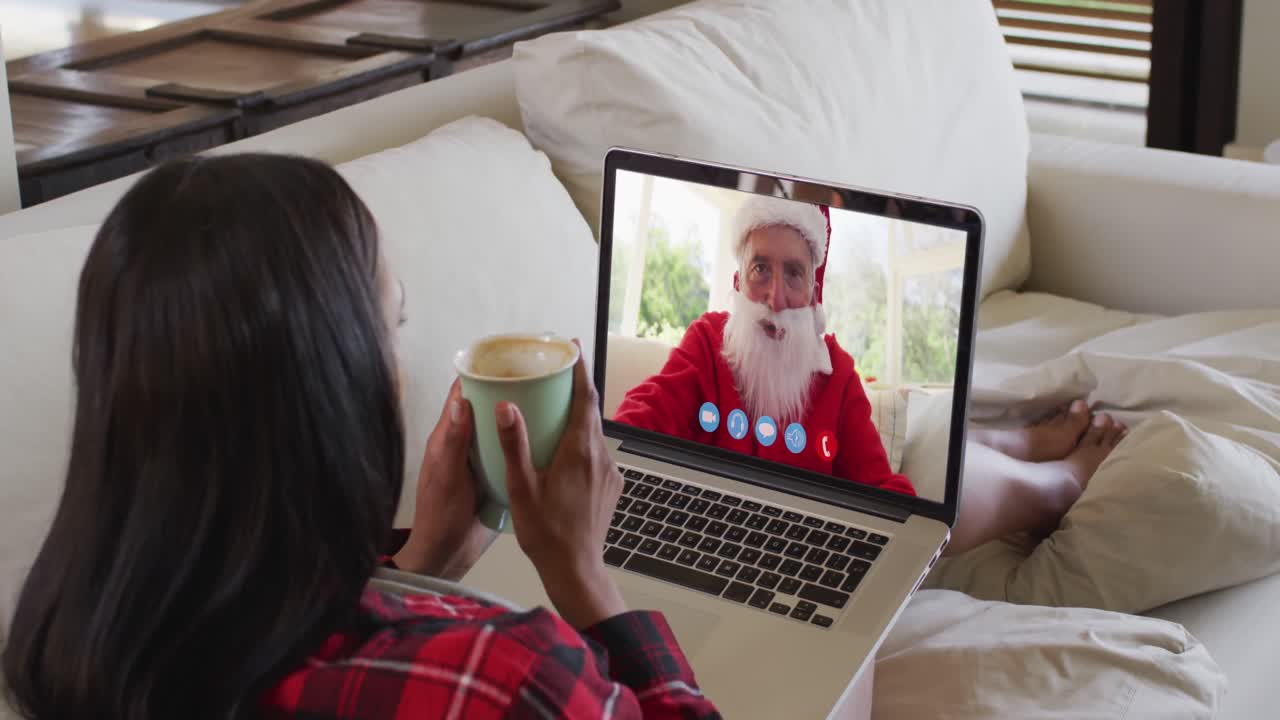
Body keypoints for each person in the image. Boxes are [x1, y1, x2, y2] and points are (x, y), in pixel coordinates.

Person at [0, 155, 722, 720]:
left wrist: (419, 564)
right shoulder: (511, 681)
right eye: (392, 326)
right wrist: (587, 579)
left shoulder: (66, 650)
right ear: (336, 384)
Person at [615, 195, 914, 495]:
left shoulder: (839, 374)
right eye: (760, 269)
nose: (776, 299)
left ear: (813, 296)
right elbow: (642, 420)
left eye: (794, 274)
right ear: (737, 283)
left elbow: (880, 490)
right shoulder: (707, 340)